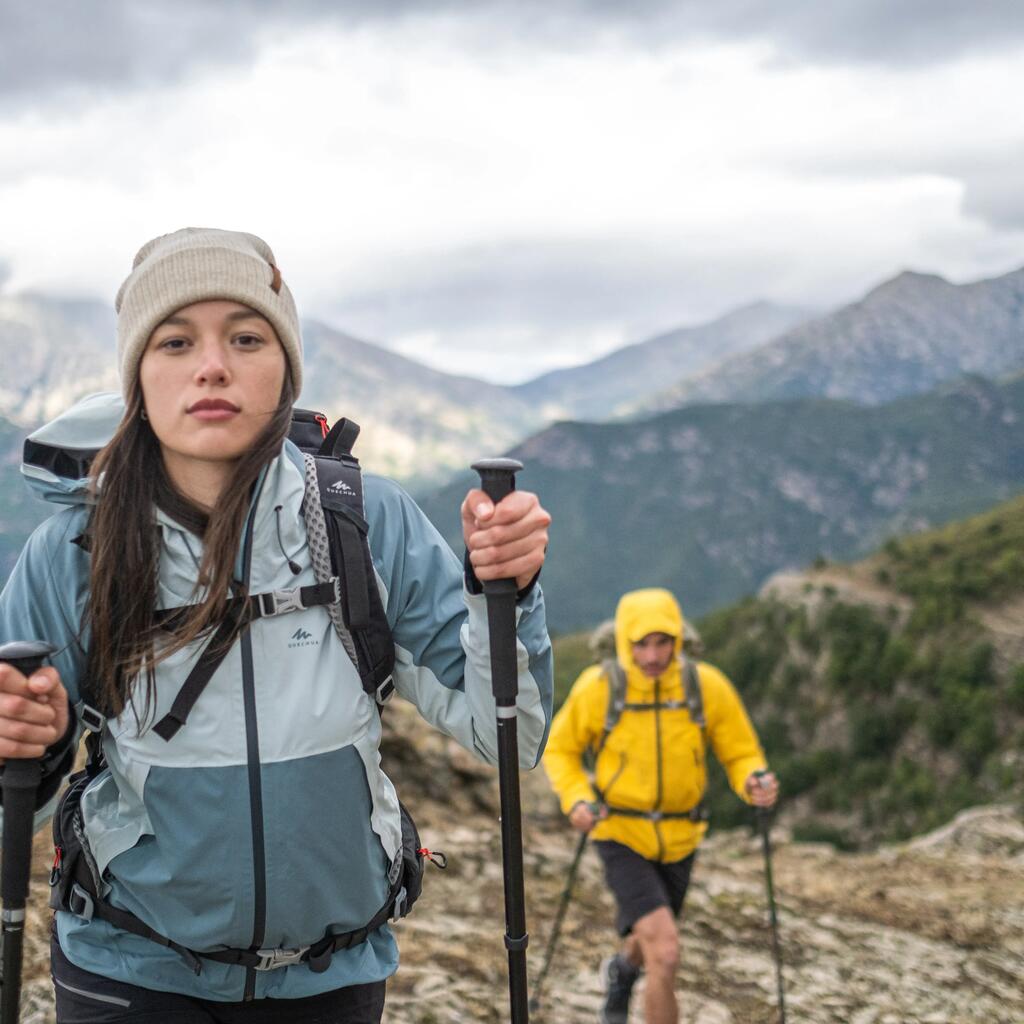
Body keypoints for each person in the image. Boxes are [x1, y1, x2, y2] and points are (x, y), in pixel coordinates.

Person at [0, 227, 553, 1023]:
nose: (212, 365)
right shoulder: (76, 552)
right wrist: (28, 738)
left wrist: (503, 592)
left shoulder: (364, 524)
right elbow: (20, 795)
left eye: (247, 336)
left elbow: (510, 734)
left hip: (330, 976)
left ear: (287, 370)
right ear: (138, 379)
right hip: (128, 968)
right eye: (175, 341)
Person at [542, 588, 778, 1024]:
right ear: (623, 642)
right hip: (619, 832)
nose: (652, 655)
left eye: (662, 642)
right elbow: (560, 750)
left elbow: (740, 751)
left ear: (678, 640)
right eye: (641, 644)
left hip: (682, 837)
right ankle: (631, 977)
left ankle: (621, 971)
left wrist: (753, 781)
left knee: (647, 937)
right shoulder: (601, 688)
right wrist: (577, 798)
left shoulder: (705, 687)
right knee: (666, 952)